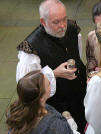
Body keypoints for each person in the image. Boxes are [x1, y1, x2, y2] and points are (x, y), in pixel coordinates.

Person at [16, 0, 86, 132]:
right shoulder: (31, 49)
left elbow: (77, 53)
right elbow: (26, 87)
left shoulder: (72, 28)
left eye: (64, 19)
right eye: (56, 22)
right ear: (43, 22)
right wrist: (54, 73)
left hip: (79, 95)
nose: (63, 26)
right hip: (57, 106)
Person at [6, 68, 80, 134]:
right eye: (48, 84)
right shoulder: (55, 125)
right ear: (41, 97)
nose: (51, 83)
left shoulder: (15, 110)